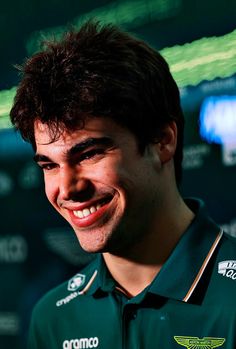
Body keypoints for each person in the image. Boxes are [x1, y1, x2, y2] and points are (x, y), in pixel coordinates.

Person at [10, 20, 236, 349]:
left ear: (162, 141)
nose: (67, 188)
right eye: (49, 165)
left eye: (89, 154)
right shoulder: (52, 318)